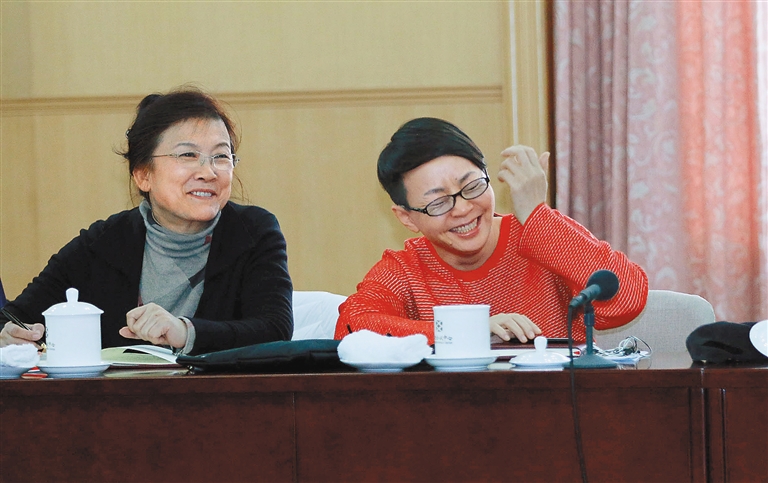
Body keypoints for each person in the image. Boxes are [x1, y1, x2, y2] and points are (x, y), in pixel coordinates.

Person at [0, 88, 293, 355]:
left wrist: (184, 331)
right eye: (188, 155)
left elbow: (275, 328)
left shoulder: (252, 232)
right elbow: (13, 317)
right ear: (143, 175)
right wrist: (9, 334)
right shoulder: (103, 242)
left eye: (221, 156)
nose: (209, 172)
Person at [335, 117, 648, 344]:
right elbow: (351, 328)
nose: (462, 209)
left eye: (472, 186)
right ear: (407, 218)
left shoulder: (542, 237)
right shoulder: (406, 269)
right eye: (439, 203)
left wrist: (536, 214)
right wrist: (466, 329)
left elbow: (628, 299)